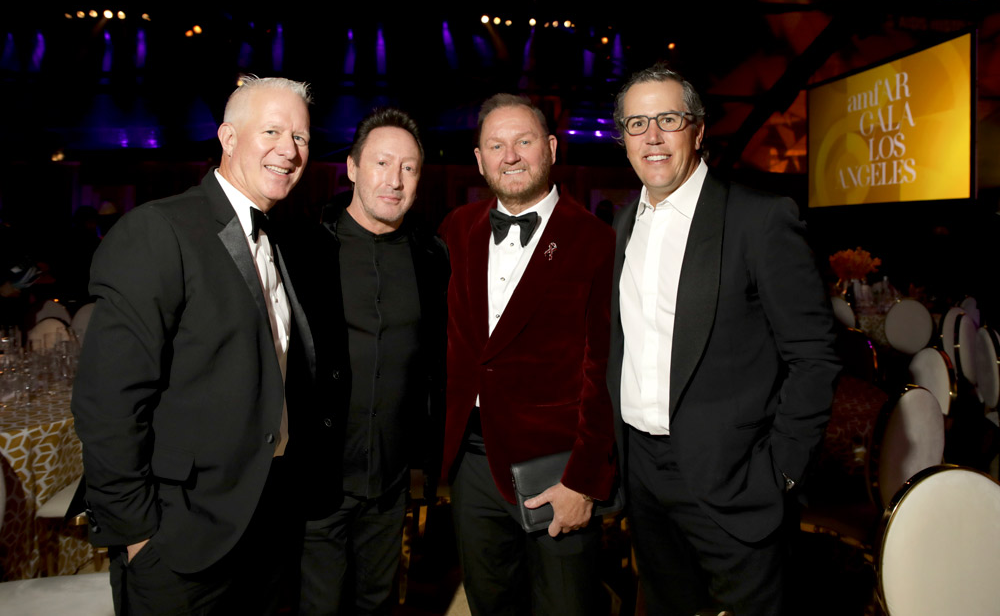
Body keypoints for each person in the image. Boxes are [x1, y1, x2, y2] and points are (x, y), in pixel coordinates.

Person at [72, 76, 339, 615]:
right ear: (228, 137)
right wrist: (140, 536)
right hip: (182, 542)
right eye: (271, 130)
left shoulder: (279, 239)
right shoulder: (159, 230)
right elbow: (109, 402)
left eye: (302, 138)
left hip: (268, 526)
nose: (289, 150)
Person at [606, 64, 840, 615]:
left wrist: (779, 472)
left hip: (735, 481)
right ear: (622, 138)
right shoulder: (621, 224)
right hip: (642, 474)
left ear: (698, 128)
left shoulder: (760, 220)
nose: (653, 137)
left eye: (668, 118)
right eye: (637, 123)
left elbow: (814, 358)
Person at [438, 93, 617, 616]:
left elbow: (604, 371)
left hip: (556, 468)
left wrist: (583, 481)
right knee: (490, 605)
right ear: (478, 159)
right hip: (472, 463)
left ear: (552, 149)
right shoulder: (458, 229)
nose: (510, 155)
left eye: (524, 141)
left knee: (566, 606)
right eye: (496, 145)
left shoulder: (595, 240)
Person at [298, 107, 448, 615]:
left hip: (389, 483)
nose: (395, 179)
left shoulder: (431, 256)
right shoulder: (306, 248)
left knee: (379, 604)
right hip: (319, 480)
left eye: (408, 168)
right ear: (352, 167)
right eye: (382, 163)